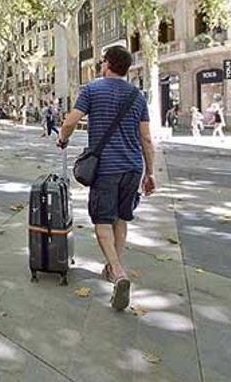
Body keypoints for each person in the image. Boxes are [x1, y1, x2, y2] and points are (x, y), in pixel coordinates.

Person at [57, 45, 155, 312]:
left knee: (102, 221)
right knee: (121, 219)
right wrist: (151, 172)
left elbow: (70, 122)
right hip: (133, 167)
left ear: (107, 65)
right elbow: (146, 138)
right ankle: (114, 268)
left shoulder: (91, 90)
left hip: (106, 169)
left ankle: (118, 272)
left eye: (102, 61)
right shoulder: (137, 96)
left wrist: (62, 139)